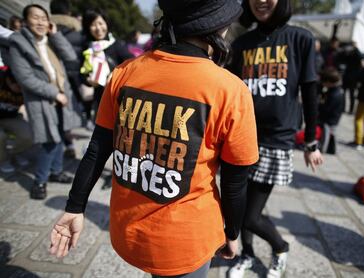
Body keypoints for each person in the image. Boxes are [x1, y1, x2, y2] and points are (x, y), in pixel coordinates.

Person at [49, 1, 259, 278]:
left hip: (129, 234)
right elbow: (235, 182)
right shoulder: (230, 90)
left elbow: (97, 149)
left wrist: (75, 207)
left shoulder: (125, 72)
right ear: (220, 27)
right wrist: (232, 232)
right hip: (187, 242)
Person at [227, 0, 323, 277]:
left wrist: (312, 142)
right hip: (241, 136)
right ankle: (246, 254)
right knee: (238, 205)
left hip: (275, 140)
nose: (261, 1)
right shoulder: (242, 43)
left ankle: (280, 247)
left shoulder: (300, 38)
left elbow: (310, 92)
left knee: (250, 214)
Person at [8, 4, 81, 199]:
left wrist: (56, 35)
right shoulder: (18, 43)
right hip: (41, 100)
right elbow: (25, 78)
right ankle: (39, 181)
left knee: (59, 135)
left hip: (60, 96)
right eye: (35, 17)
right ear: (25, 21)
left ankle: (55, 171)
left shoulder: (50, 40)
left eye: (44, 18)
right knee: (49, 141)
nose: (40, 22)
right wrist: (54, 93)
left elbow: (71, 57)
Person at [80, 9, 133, 128]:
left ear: (106, 24)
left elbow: (132, 64)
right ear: (87, 27)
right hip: (100, 100)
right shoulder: (86, 48)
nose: (98, 28)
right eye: (93, 25)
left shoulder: (116, 45)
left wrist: (116, 74)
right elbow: (81, 73)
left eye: (100, 23)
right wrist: (87, 80)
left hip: (119, 97)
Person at [50, 0, 84, 159]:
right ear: (68, 12)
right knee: (69, 112)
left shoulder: (46, 28)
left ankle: (63, 144)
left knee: (56, 113)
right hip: (74, 76)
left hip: (54, 76)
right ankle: (69, 144)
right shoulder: (77, 29)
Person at [318, 68, 344, 154]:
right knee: (331, 134)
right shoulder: (337, 90)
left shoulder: (335, 94)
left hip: (330, 119)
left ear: (329, 82)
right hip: (333, 118)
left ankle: (324, 149)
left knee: (327, 135)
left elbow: (327, 108)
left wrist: (320, 107)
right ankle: (330, 149)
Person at [342, 42, 363, 114]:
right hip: (347, 76)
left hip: (354, 78)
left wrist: (356, 48)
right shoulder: (349, 53)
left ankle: (351, 110)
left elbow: (361, 58)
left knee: (352, 94)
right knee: (343, 93)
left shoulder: (357, 53)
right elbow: (344, 59)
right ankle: (343, 108)